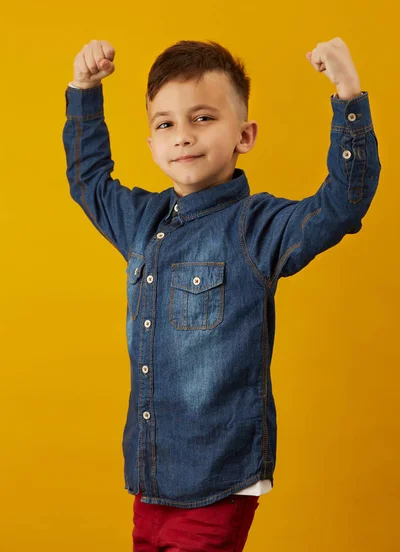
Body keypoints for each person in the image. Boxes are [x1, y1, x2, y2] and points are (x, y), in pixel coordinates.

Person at [62, 37, 381, 551]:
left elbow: (342, 204)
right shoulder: (142, 222)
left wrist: (347, 94)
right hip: (150, 477)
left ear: (245, 135)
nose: (183, 136)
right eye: (166, 123)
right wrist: (84, 91)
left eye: (203, 118)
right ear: (151, 144)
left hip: (217, 480)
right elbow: (88, 180)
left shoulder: (256, 227)